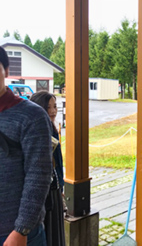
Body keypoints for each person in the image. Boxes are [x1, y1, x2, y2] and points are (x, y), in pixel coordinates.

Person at [0, 47, 53, 246]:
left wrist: (21, 229)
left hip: (17, 235)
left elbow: (38, 175)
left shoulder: (32, 116)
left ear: (5, 70)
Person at [31, 91, 65, 246]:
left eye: (55, 107)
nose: (53, 111)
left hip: (54, 187)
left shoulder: (52, 129)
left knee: (55, 229)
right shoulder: (34, 131)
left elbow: (58, 162)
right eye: (48, 107)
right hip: (41, 191)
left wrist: (62, 187)